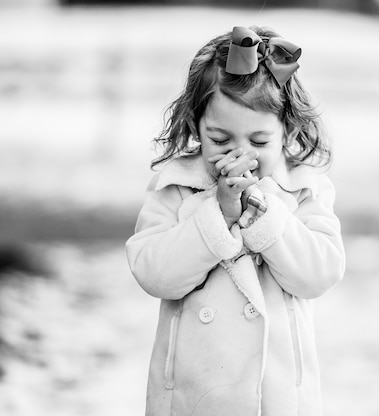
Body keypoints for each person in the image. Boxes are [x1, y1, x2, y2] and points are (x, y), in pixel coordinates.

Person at [126, 25, 346, 416]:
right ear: (196, 127)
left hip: (277, 395)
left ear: (287, 131)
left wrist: (265, 213)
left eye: (259, 142)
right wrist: (218, 215)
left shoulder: (302, 189)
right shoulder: (176, 185)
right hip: (191, 395)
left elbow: (319, 274)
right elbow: (153, 273)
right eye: (221, 140)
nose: (240, 154)